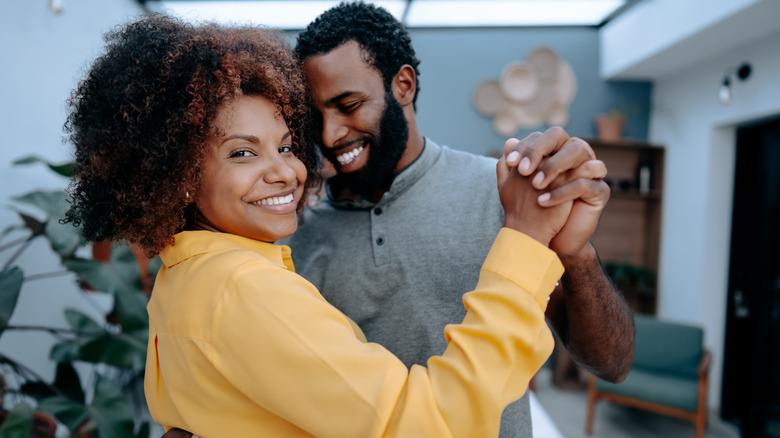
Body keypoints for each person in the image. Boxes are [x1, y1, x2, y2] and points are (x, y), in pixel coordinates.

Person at [64, 15, 580, 437]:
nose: (286, 170)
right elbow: (433, 425)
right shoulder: (245, 289)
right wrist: (528, 238)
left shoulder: (181, 280)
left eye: (287, 145)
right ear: (177, 174)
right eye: (243, 152)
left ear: (404, 85)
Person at [286, 2, 635, 437]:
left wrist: (577, 254)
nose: (329, 135)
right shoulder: (293, 239)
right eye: (315, 116)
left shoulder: (505, 195)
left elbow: (611, 364)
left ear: (403, 85)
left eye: (349, 104)